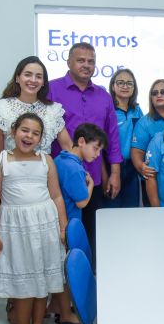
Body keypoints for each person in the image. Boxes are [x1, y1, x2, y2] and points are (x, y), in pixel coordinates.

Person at [0, 113, 69, 324]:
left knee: (42, 281)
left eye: (35, 133)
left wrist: (63, 228)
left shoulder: (46, 160)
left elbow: (56, 197)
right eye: (24, 130)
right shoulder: (1, 160)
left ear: (41, 139)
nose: (29, 136)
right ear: (13, 131)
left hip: (45, 227)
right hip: (16, 230)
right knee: (23, 285)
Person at [48, 42, 122, 240]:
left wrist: (114, 173)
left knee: (89, 233)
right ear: (69, 62)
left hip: (93, 176)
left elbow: (112, 138)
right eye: (81, 60)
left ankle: (88, 270)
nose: (86, 65)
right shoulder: (51, 90)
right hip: (60, 178)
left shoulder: (103, 96)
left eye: (91, 61)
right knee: (60, 233)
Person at [0, 56, 72, 155]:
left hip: (45, 168)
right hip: (9, 168)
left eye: (39, 76)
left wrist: (79, 169)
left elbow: (68, 147)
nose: (33, 80)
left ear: (43, 82)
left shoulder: (53, 110)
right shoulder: (0, 109)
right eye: (28, 75)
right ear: (17, 78)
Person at [130, 79, 164, 206]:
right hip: (154, 182)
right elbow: (137, 152)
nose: (159, 95)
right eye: (154, 93)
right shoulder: (144, 123)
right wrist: (141, 167)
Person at [106, 68, 142, 208]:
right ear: (113, 86)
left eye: (129, 83)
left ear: (134, 88)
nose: (125, 86)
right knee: (112, 211)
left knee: (130, 211)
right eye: (120, 83)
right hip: (112, 167)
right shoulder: (108, 110)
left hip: (132, 168)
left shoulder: (137, 110)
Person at [54, 123, 106, 222]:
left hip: (57, 219)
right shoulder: (76, 169)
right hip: (70, 221)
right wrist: (91, 184)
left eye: (100, 150)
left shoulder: (59, 158)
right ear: (81, 141)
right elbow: (82, 203)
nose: (98, 154)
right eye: (95, 148)